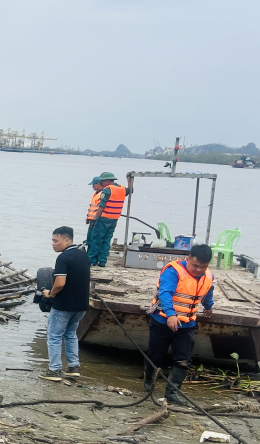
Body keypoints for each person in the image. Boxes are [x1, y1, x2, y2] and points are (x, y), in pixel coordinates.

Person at [144, 244, 214, 403]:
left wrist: (209, 307)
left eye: (203, 267)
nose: (198, 270)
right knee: (155, 355)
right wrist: (170, 315)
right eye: (195, 266)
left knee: (183, 360)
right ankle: (148, 384)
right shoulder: (173, 271)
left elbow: (208, 292)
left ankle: (172, 392)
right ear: (188, 259)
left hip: (187, 325)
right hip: (162, 321)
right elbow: (165, 293)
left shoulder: (208, 276)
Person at [39, 226, 91, 381]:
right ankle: (73, 367)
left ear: (67, 240)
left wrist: (50, 293)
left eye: (56, 240)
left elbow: (60, 283)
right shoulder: (83, 255)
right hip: (81, 305)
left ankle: (54, 370)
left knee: (54, 336)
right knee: (70, 335)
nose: (53, 244)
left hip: (64, 305)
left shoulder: (63, 258)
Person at [86, 171, 127, 267]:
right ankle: (102, 261)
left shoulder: (107, 190)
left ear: (107, 181)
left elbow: (102, 206)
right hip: (114, 219)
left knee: (96, 239)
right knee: (107, 240)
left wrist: (95, 218)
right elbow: (130, 190)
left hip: (103, 218)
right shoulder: (121, 189)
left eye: (103, 181)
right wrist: (129, 181)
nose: (102, 183)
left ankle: (91, 261)